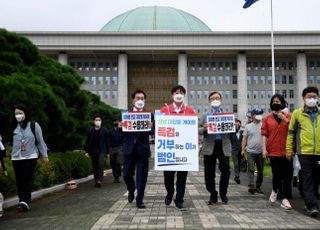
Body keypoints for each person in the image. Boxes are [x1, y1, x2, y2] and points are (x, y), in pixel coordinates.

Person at [160, 85, 196, 210]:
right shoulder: (165, 110)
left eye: (181, 92)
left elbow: (194, 131)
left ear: (184, 95)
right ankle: (170, 192)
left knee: (182, 177)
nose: (178, 94)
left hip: (184, 149)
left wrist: (195, 146)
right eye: (176, 92)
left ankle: (179, 199)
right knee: (168, 177)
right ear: (172, 95)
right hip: (169, 150)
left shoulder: (190, 111)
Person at [286, 86, 320, 217]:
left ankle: (310, 200)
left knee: (316, 179)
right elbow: (290, 133)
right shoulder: (297, 113)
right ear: (303, 98)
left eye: (314, 97)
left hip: (318, 152)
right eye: (309, 97)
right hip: (304, 152)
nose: (311, 99)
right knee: (307, 178)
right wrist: (289, 150)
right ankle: (312, 206)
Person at [11, 103, 48, 211]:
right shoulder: (13, 126)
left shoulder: (34, 125)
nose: (18, 115)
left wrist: (44, 155)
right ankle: (21, 200)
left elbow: (40, 141)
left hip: (30, 156)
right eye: (16, 113)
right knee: (19, 180)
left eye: (20, 113)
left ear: (25, 113)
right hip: (16, 157)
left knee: (26, 177)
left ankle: (25, 201)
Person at [121, 89, 154, 209]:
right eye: (137, 98)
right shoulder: (125, 114)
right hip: (129, 148)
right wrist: (121, 127)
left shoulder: (149, 115)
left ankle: (139, 199)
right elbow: (122, 133)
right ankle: (131, 189)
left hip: (142, 148)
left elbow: (153, 131)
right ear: (133, 100)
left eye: (142, 98)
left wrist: (151, 127)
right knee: (126, 174)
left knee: (142, 176)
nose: (140, 100)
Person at [199, 91, 231, 205]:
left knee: (226, 171)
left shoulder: (227, 116)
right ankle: (213, 193)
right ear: (209, 101)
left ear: (221, 100)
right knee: (209, 173)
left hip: (224, 146)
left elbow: (233, 131)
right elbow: (197, 130)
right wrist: (204, 128)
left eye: (217, 98)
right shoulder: (205, 116)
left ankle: (223, 194)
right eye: (213, 98)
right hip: (209, 146)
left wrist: (235, 126)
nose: (215, 100)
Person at [261, 94, 292, 210]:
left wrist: (286, 120)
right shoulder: (267, 119)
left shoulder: (289, 117)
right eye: (274, 101)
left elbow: (294, 131)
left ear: (282, 103)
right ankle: (275, 191)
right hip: (273, 151)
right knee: (277, 174)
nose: (276, 103)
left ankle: (284, 199)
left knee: (287, 176)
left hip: (287, 150)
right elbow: (264, 135)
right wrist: (264, 149)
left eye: (278, 101)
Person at [241, 109, 264, 194]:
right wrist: (243, 149)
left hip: (261, 152)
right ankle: (251, 185)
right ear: (253, 115)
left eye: (260, 114)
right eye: (258, 114)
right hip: (250, 151)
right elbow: (244, 138)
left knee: (260, 171)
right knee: (251, 169)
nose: (260, 116)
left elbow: (267, 138)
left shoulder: (263, 125)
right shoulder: (248, 126)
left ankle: (258, 186)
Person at [85, 114, 109, 188]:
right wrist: (86, 152)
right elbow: (88, 142)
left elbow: (107, 142)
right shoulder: (91, 130)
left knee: (100, 164)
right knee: (95, 166)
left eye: (99, 120)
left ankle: (99, 180)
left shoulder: (104, 130)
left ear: (101, 121)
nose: (98, 121)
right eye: (96, 120)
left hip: (102, 150)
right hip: (93, 150)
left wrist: (108, 152)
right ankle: (96, 180)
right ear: (94, 121)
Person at [108, 119, 123, 183]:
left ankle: (118, 176)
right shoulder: (110, 131)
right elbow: (108, 140)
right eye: (115, 121)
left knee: (118, 163)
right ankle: (115, 177)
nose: (116, 123)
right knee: (113, 163)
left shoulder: (121, 130)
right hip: (112, 148)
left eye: (117, 122)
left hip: (119, 148)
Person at [230, 118, 243, 184]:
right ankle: (237, 176)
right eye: (236, 123)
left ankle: (237, 175)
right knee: (236, 163)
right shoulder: (232, 132)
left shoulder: (242, 132)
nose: (237, 124)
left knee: (240, 164)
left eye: (238, 123)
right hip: (234, 150)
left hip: (241, 151)